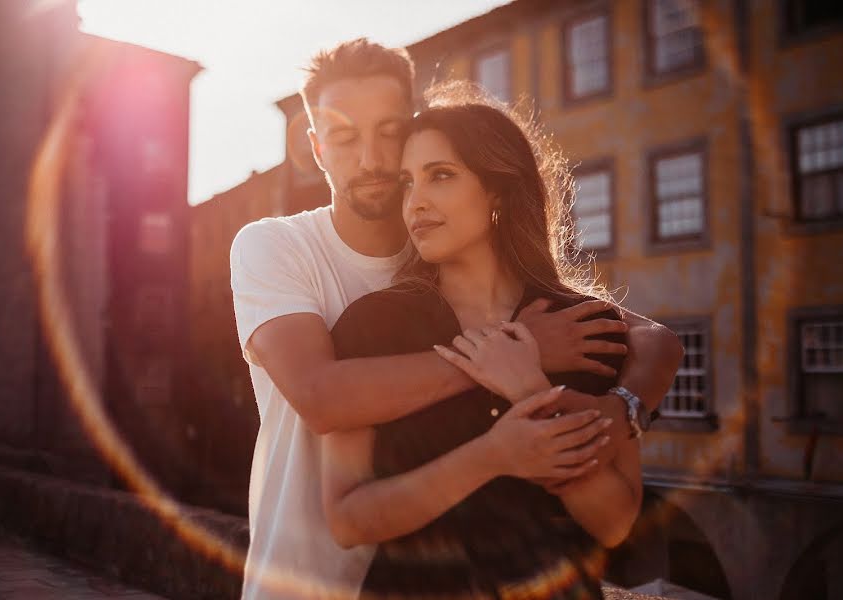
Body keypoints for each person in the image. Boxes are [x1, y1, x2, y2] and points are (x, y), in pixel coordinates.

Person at [229, 39, 683, 599]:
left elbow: (653, 340)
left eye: (389, 133)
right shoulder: (280, 250)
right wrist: (514, 357)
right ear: (318, 149)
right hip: (302, 584)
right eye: (345, 138)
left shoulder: (479, 269)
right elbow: (322, 398)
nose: (371, 159)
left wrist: (621, 410)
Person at [320, 91, 639, 598]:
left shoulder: (584, 327)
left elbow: (616, 523)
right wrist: (493, 455)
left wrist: (531, 391)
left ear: (497, 190)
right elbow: (347, 520)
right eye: (408, 182)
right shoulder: (372, 325)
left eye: (440, 175)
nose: (415, 201)